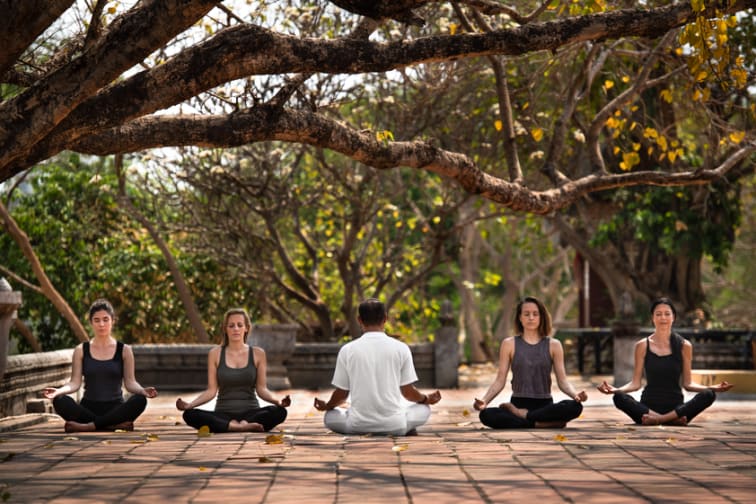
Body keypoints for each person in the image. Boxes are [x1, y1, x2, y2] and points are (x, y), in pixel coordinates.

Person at [314, 298, 441, 435]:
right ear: (385, 318)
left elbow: (341, 395)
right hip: (396, 426)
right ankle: (406, 427)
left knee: (329, 416)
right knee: (424, 409)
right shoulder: (401, 348)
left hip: (357, 426)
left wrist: (327, 406)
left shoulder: (347, 350)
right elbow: (408, 392)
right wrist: (426, 399)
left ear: (359, 320)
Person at [597, 297, 733, 425]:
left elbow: (688, 384)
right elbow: (635, 384)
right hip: (647, 408)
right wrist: (615, 390)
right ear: (652, 318)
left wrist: (712, 388)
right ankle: (669, 420)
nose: (663, 318)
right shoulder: (642, 345)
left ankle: (660, 419)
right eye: (658, 314)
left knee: (709, 395)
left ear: (673, 317)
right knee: (619, 397)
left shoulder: (684, 345)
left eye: (667, 314)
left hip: (676, 407)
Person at [43, 299, 158, 433]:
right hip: (88, 408)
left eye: (105, 319)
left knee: (139, 400)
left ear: (112, 321)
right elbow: (74, 383)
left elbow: (130, 382)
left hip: (115, 408)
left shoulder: (124, 350)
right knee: (60, 400)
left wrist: (142, 391)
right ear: (91, 323)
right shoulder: (81, 349)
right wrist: (58, 391)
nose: (101, 324)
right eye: (97, 320)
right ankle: (111, 425)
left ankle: (88, 426)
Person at [473, 296, 587, 429]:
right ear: (520, 318)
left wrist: (575, 395)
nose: (531, 318)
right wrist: (485, 401)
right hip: (517, 403)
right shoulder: (509, 344)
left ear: (541, 317)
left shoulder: (554, 345)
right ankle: (538, 423)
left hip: (544, 406)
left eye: (535, 314)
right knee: (486, 415)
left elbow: (563, 382)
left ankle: (525, 417)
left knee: (575, 407)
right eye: (526, 314)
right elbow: (500, 380)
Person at [176, 308, 290, 433]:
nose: (236, 329)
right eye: (231, 326)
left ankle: (232, 426)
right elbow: (211, 390)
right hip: (223, 413)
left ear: (246, 328)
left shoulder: (258, 354)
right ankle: (239, 427)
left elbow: (262, 389)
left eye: (239, 325)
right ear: (225, 329)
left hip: (252, 413)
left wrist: (278, 402)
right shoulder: (215, 353)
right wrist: (189, 405)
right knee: (189, 415)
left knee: (280, 412)